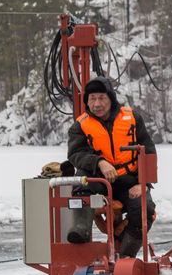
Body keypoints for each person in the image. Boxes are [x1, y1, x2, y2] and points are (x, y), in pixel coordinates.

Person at [66, 76, 156, 257]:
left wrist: (143, 183)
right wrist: (99, 162)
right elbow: (75, 154)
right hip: (99, 180)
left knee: (145, 209)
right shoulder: (80, 125)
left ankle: (125, 256)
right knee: (81, 182)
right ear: (87, 101)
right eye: (92, 99)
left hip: (129, 181)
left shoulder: (132, 118)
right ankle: (80, 231)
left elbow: (149, 151)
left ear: (111, 99)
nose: (97, 104)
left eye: (101, 98)